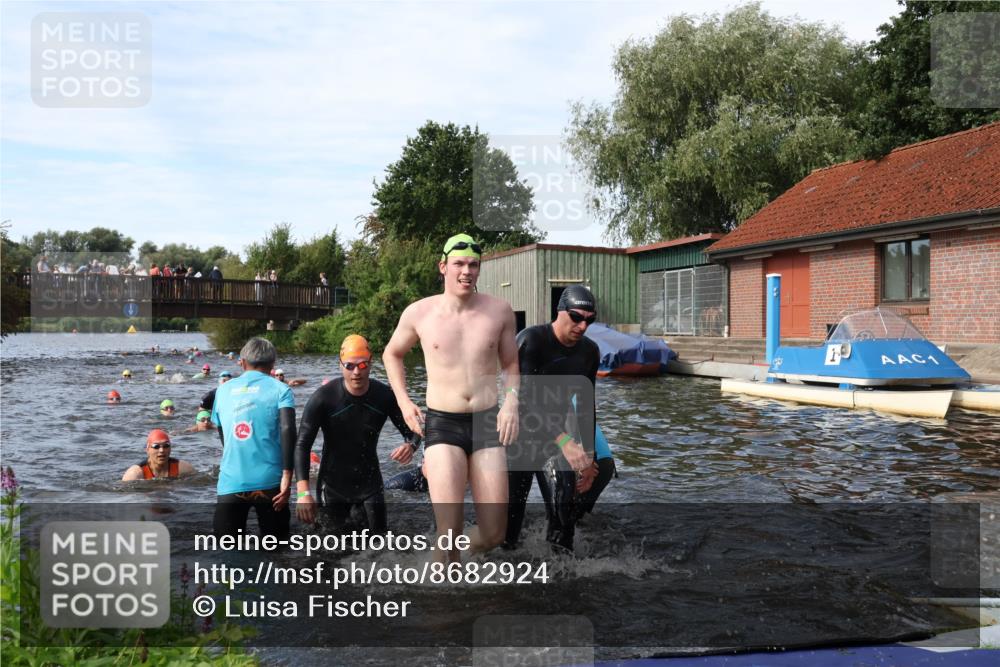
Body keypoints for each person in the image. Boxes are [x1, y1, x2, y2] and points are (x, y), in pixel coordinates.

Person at [383, 233, 519, 562]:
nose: (466, 271)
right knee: (449, 535)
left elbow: (512, 363)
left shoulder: (499, 311)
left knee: (493, 534)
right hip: (443, 425)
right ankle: (442, 588)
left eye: (474, 265)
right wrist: (403, 400)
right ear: (443, 266)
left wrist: (512, 401)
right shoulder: (420, 313)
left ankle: (444, 557)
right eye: (459, 263)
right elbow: (391, 354)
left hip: (487, 422)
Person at [504, 285, 600, 553]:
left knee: (564, 514)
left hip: (556, 440)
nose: (583, 326)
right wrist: (566, 441)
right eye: (576, 317)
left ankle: (561, 582)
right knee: (509, 525)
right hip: (519, 439)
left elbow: (585, 404)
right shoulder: (531, 340)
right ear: (559, 311)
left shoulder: (589, 352)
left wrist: (588, 457)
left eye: (589, 320)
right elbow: (525, 398)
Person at [294, 335, 417, 534]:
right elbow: (302, 444)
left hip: (371, 485)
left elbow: (413, 431)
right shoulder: (323, 398)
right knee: (331, 551)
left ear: (371, 363)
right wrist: (302, 493)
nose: (357, 372)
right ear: (341, 365)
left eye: (362, 365)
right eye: (350, 366)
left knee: (379, 548)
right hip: (332, 486)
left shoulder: (384, 396)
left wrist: (410, 446)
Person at [211, 337, 296, 539]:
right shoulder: (281, 389)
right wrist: (287, 476)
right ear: (273, 363)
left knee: (227, 554)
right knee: (278, 552)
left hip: (232, 481)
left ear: (241, 362)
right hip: (270, 482)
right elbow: (288, 430)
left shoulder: (222, 390)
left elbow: (223, 433)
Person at [122, 429, 195, 481]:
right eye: (156, 446)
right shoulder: (134, 475)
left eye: (166, 445)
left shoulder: (183, 468)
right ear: (147, 450)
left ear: (170, 448)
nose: (162, 450)